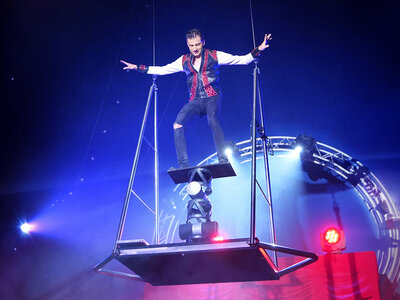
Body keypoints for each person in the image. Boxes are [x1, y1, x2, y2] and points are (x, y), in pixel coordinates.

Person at [121, 28, 271, 169]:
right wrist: (137, 67)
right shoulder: (184, 60)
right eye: (191, 45)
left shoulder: (214, 55)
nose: (195, 48)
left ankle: (223, 160)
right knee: (177, 125)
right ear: (187, 45)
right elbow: (162, 69)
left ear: (203, 42)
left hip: (212, 97)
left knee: (212, 120)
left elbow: (242, 60)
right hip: (195, 101)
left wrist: (258, 49)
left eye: (198, 44)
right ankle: (183, 166)